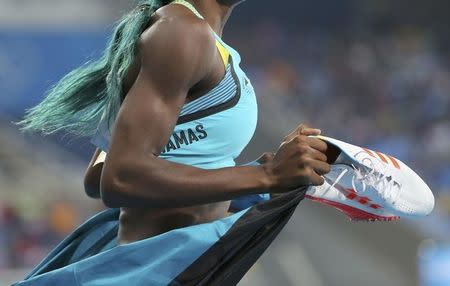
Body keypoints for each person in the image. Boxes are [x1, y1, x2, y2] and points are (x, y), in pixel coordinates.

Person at [16, 0, 331, 285]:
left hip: (183, 264)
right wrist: (266, 176)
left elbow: (97, 176)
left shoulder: (199, 38)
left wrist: (255, 174)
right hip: (152, 271)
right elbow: (120, 177)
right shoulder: (182, 32)